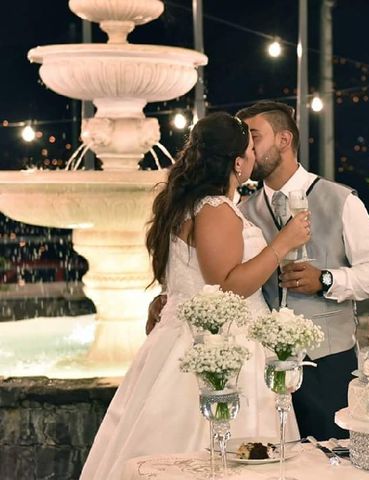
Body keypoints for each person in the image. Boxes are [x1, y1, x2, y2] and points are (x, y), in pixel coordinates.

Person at [81, 112, 310, 480]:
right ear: (237, 162)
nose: (253, 156)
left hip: (184, 340)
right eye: (250, 149)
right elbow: (226, 287)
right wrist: (284, 244)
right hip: (219, 346)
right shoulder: (215, 208)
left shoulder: (189, 205)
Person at [235, 101, 369, 440]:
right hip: (265, 367)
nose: (247, 148)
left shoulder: (340, 199)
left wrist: (327, 280)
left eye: (254, 137)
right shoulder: (243, 211)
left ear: (283, 139)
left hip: (329, 362)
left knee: (335, 463)